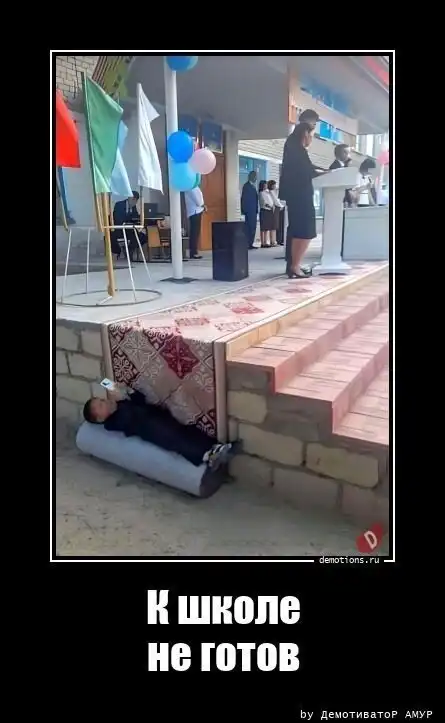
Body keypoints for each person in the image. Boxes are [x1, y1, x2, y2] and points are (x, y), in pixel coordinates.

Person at [83, 387, 234, 470]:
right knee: (177, 441)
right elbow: (128, 418)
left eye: (102, 400)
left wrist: (130, 393)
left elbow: (140, 401)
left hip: (156, 417)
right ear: (100, 419)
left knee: (185, 431)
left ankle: (215, 446)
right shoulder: (111, 423)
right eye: (100, 406)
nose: (104, 402)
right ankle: (207, 456)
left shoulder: (120, 404)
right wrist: (120, 403)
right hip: (151, 430)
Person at [279, 122, 327, 279]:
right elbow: (306, 170)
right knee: (304, 231)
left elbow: (308, 168)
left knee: (301, 230)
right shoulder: (296, 150)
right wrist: (322, 172)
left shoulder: (294, 148)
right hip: (300, 196)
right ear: (305, 133)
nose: (311, 139)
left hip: (298, 196)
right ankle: (295, 266)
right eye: (312, 135)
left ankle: (295, 265)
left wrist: (322, 171)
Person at [111, 191, 147, 259]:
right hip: (119, 229)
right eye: (132, 199)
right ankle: (121, 251)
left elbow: (135, 218)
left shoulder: (133, 207)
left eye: (135, 201)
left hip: (129, 229)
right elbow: (117, 218)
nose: (134, 202)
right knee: (112, 236)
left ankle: (129, 249)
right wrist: (128, 222)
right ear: (129, 198)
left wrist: (140, 218)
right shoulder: (119, 205)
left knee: (143, 237)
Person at [184, 185, 206, 259]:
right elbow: (198, 200)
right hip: (195, 211)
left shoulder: (189, 187)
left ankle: (193, 251)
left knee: (194, 232)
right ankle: (193, 252)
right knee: (195, 233)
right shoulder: (192, 187)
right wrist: (203, 205)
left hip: (193, 211)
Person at [241, 170, 259, 249]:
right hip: (249, 211)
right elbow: (243, 199)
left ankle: (251, 243)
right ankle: (247, 243)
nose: (256, 178)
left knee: (253, 227)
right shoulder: (246, 186)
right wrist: (244, 210)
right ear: (252, 177)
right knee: (249, 227)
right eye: (255, 177)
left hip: (253, 210)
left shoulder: (253, 186)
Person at [267, 180, 285, 246]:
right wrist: (281, 206)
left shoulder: (273, 191)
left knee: (276, 225)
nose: (275, 186)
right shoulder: (271, 192)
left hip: (276, 208)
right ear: (272, 185)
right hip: (276, 209)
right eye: (274, 184)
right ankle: (274, 241)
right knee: (275, 225)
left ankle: (275, 240)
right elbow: (276, 201)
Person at [258, 180, 275, 247]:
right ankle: (263, 242)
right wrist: (269, 206)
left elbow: (271, 200)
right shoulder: (261, 193)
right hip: (264, 211)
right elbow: (263, 203)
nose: (266, 185)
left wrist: (272, 206)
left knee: (267, 228)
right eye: (265, 184)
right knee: (263, 228)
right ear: (263, 185)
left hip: (269, 211)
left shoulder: (267, 192)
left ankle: (266, 241)